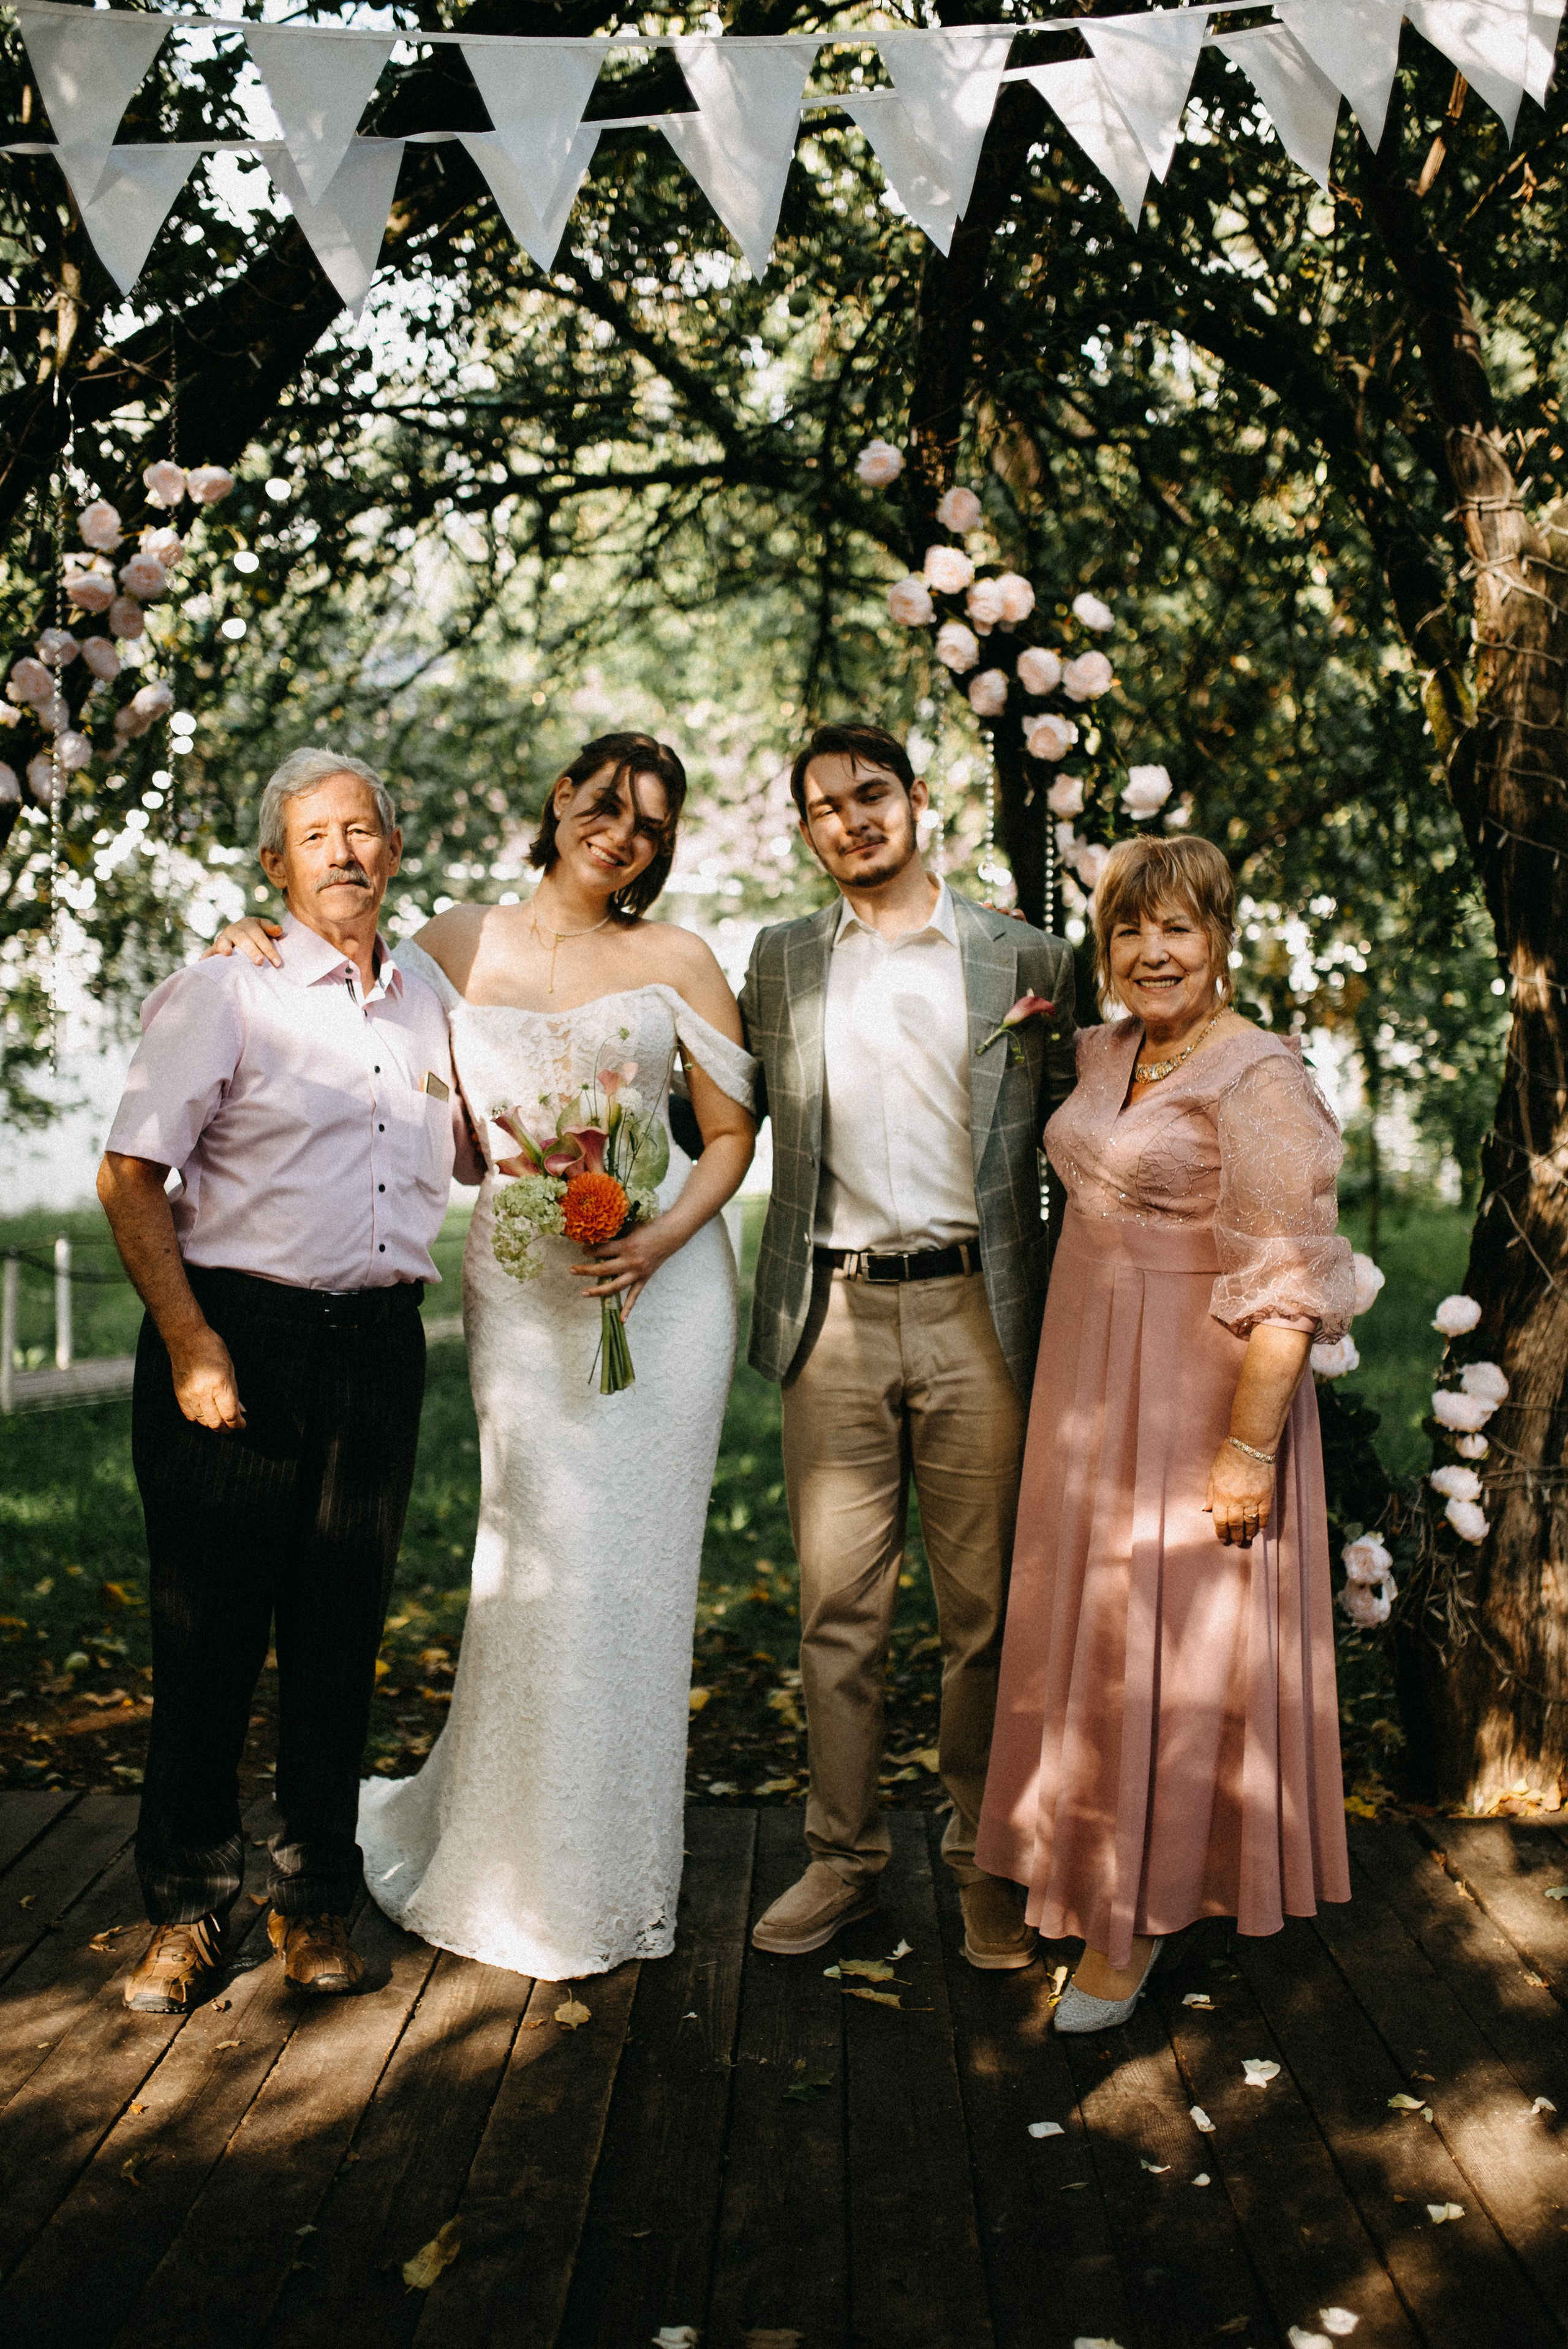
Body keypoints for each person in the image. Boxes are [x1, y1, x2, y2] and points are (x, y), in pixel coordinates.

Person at [208, 731, 757, 1980]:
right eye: (606, 802)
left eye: (651, 825)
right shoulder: (456, 938)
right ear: (559, 795)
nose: (621, 831)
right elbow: (339, 981)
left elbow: (728, 1134)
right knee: (534, 1559)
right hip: (523, 1288)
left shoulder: (676, 959)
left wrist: (661, 1235)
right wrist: (246, 935)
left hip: (655, 1290)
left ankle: (610, 1869)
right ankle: (507, 1854)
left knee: (631, 1579)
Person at [98, 748, 481, 2013]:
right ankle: (185, 1910)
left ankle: (314, 1901)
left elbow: (479, 1142)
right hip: (236, 1338)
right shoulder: (229, 988)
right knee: (208, 1638)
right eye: (317, 835)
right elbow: (129, 1174)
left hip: (377, 1344)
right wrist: (193, 1341)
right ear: (275, 863)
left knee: (338, 1635)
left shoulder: (428, 991)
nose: (344, 853)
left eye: (364, 829)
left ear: (394, 847)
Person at [975, 834, 1356, 2030]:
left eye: (1176, 929)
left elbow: (1289, 1284)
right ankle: (1084, 1861)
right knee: (1087, 1629)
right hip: (1086, 1385)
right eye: (1129, 929)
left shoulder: (1258, 1080)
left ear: (1219, 939)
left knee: (1166, 1639)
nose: (1150, 951)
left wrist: (1244, 1453)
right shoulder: (1108, 1049)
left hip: (1196, 1394)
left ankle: (1134, 1918)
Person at [741, 723, 1076, 1966]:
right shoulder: (777, 962)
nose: (849, 820)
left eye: (869, 794)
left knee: (982, 1612)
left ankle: (984, 1863)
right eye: (822, 806)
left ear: (916, 800)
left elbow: (1089, 1123)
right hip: (828, 1311)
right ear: (807, 830)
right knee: (839, 1614)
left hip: (976, 1311)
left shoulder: (1024, 958)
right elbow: (701, 1101)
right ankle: (842, 1863)